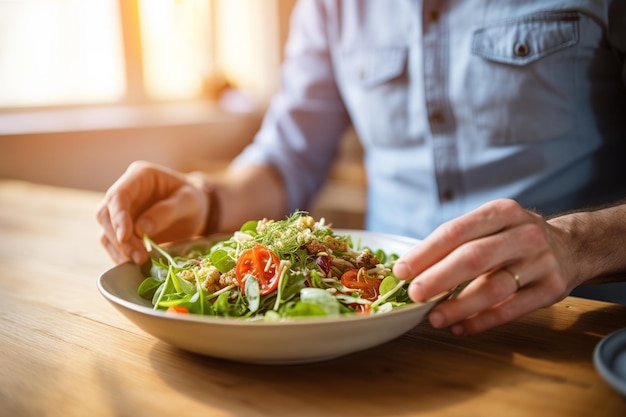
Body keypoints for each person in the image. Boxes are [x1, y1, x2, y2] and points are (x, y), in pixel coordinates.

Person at [97, 0, 626, 334]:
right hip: (369, 328)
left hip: (572, 324)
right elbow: (287, 156)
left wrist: (577, 243)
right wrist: (203, 197)